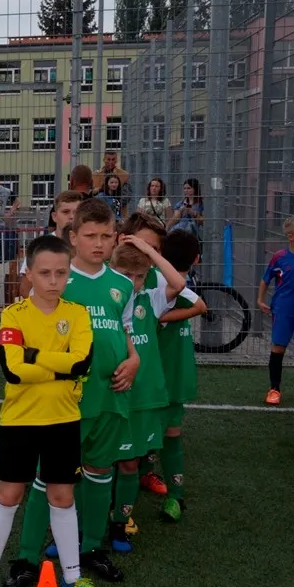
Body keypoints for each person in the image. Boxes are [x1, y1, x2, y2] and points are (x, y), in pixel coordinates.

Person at [8, 199, 138, 587]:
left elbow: (125, 330)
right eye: (90, 235)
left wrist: (133, 359)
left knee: (100, 472)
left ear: (115, 238)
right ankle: (27, 558)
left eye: (106, 235)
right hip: (65, 402)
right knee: (47, 478)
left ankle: (91, 547)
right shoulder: (61, 280)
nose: (98, 243)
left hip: (110, 396)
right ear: (73, 237)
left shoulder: (122, 285)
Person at [0, 235, 107, 587]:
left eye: (61, 273)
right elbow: (13, 370)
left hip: (63, 419)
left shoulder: (77, 314)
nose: (53, 280)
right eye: (45, 273)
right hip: (20, 420)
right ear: (29, 273)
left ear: (69, 274)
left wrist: (35, 356)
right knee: (8, 495)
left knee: (62, 497)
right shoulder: (13, 315)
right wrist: (59, 365)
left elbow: (82, 363)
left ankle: (73, 578)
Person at [105, 228, 185, 554]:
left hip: (142, 399)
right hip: (110, 395)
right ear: (112, 270)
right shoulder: (103, 301)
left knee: (130, 465)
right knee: (96, 464)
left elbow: (178, 284)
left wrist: (148, 251)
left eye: (139, 276)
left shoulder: (149, 300)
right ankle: (87, 526)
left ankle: (120, 524)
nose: (134, 283)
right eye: (127, 275)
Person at [154, 230, 207, 522]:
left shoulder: (169, 282)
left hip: (170, 371)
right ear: (196, 258)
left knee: (166, 433)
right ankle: (173, 495)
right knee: (160, 435)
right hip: (158, 372)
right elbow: (200, 306)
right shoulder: (162, 281)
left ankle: (175, 495)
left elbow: (197, 305)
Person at [258, 215, 294, 405]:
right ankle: (274, 389)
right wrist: (260, 300)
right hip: (283, 310)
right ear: (291, 236)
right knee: (278, 347)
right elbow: (265, 279)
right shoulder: (280, 257)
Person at [18, 191, 83, 298]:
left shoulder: (87, 246)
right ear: (54, 216)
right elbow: (25, 289)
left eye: (76, 212)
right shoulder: (41, 246)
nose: (72, 217)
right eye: (66, 212)